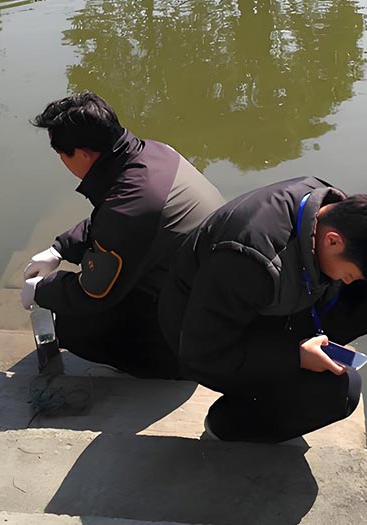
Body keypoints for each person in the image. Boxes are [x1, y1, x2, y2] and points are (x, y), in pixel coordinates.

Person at [158, 176, 367, 442]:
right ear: (332, 241)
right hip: (204, 341)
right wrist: (295, 357)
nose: (349, 280)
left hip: (261, 308)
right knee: (338, 393)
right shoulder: (247, 259)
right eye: (350, 273)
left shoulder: (330, 208)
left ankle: (282, 380)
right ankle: (228, 424)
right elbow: (202, 351)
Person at [20, 92, 224, 379]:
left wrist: (42, 290)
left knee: (74, 322)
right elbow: (111, 220)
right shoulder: (154, 153)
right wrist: (60, 249)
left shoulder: (133, 203)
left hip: (188, 345)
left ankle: (150, 370)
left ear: (83, 154)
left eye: (60, 153)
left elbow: (93, 292)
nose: (60, 160)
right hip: (205, 302)